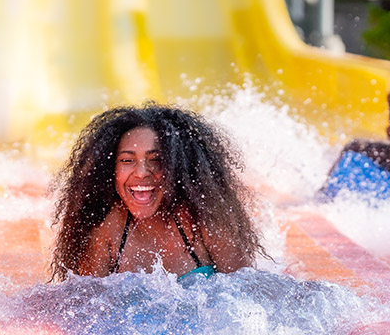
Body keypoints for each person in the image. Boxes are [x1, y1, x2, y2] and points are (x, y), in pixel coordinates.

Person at [50, 103, 264, 281]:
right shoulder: (107, 231)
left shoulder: (204, 221)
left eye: (157, 160)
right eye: (127, 160)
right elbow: (86, 311)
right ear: (110, 170)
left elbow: (246, 294)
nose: (142, 172)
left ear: (179, 166)